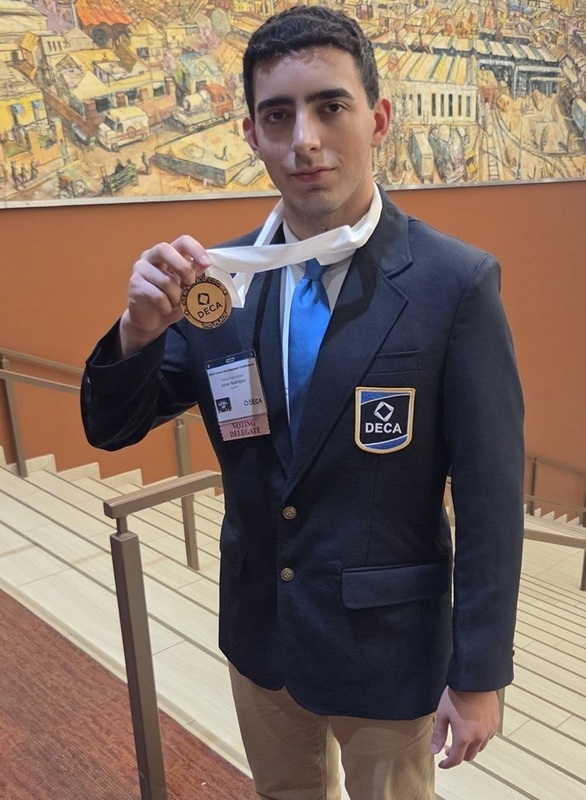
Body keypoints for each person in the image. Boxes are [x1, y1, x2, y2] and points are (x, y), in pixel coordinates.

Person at [81, 6, 524, 799]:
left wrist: (480, 673)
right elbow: (111, 428)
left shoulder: (453, 284)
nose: (305, 140)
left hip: (388, 646)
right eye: (278, 116)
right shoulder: (220, 283)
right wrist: (137, 331)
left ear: (378, 119)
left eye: (330, 106)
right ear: (251, 135)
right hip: (262, 636)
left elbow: (491, 496)